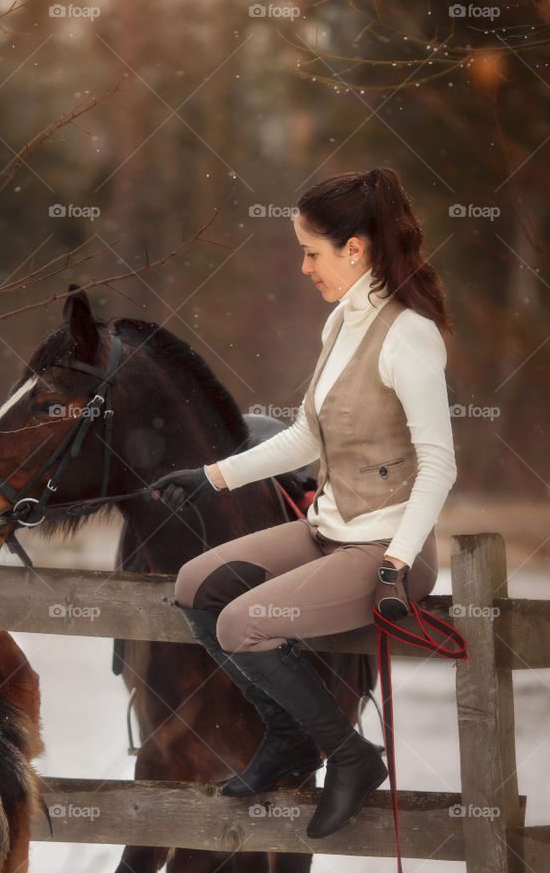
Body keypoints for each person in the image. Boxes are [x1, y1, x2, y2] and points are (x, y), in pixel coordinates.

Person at [149, 167, 457, 839]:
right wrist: (214, 476)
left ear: (355, 249)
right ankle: (290, 740)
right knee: (195, 585)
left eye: (311, 251)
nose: (302, 267)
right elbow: (305, 436)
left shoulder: (409, 337)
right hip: (328, 531)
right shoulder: (340, 324)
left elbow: (440, 463)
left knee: (242, 626)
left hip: (384, 548)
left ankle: (350, 757)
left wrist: (395, 562)